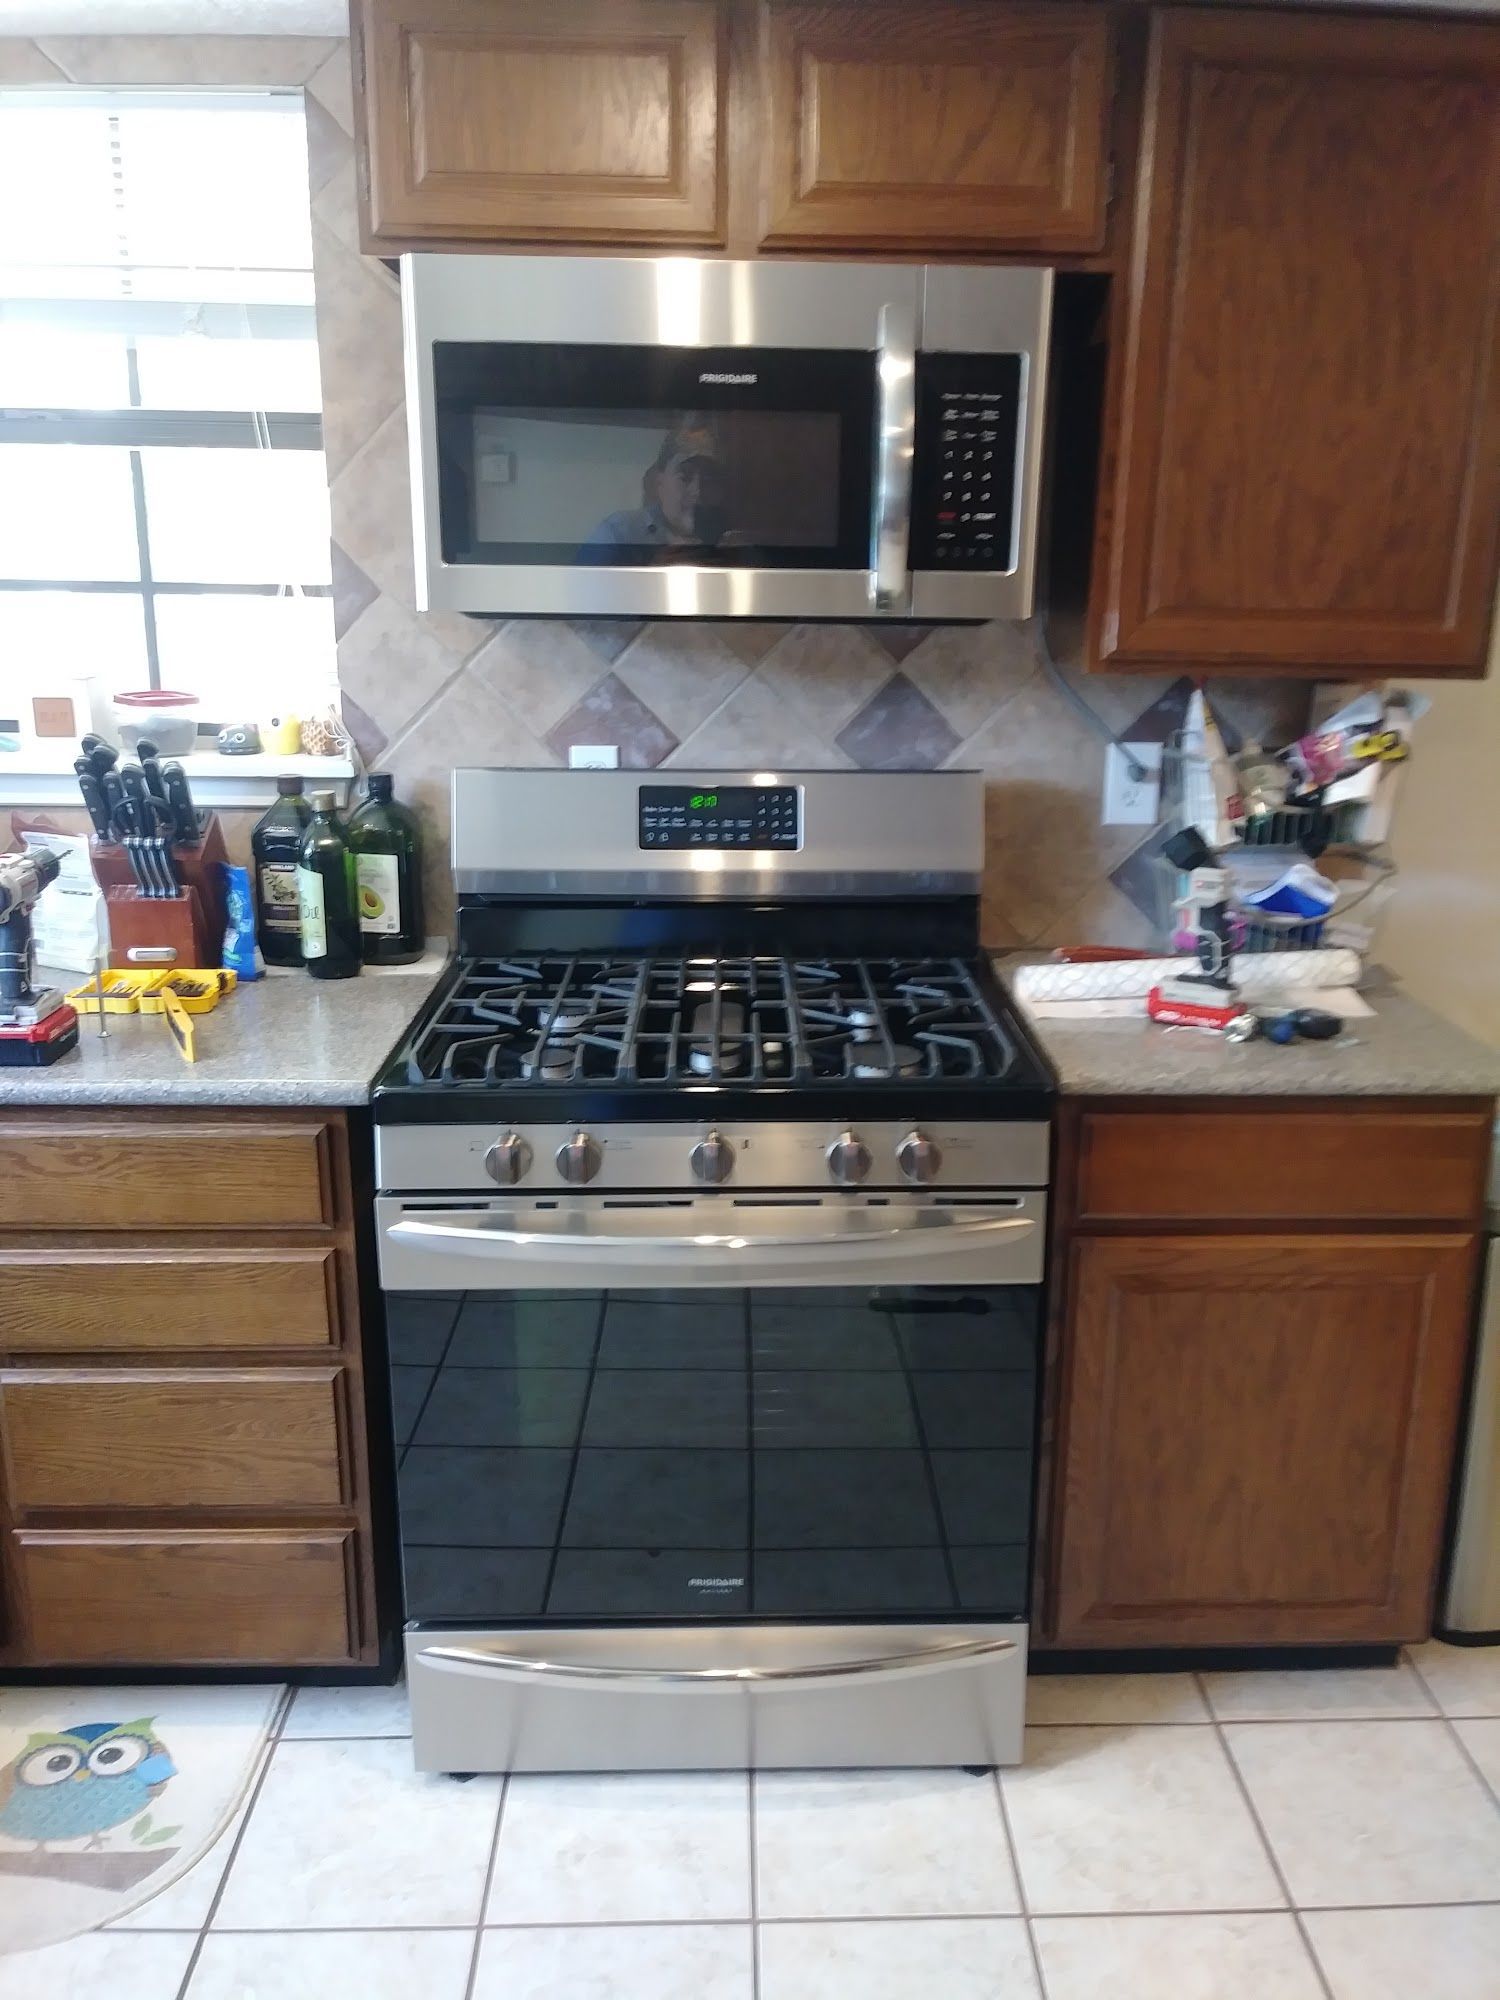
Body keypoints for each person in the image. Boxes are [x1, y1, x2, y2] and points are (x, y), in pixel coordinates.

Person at [580, 420, 731, 557]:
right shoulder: (619, 532)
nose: (697, 491)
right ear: (659, 481)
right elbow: (581, 585)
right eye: (685, 476)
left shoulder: (728, 540)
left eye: (708, 480)